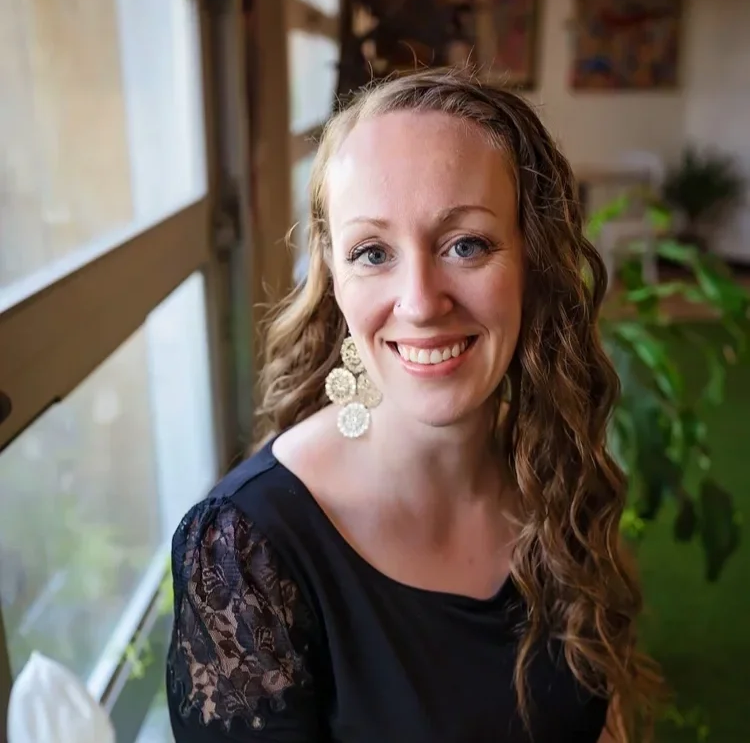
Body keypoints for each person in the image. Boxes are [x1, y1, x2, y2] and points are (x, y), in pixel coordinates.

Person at [165, 68, 663, 742]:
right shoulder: (247, 553)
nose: (422, 302)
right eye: (373, 252)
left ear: (533, 259)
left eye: (466, 244)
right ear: (334, 278)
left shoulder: (552, 464)